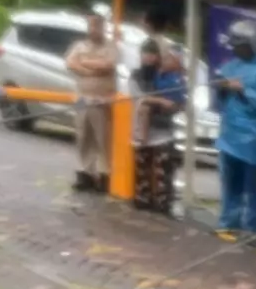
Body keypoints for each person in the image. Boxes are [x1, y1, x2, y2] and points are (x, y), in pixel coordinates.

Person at [212, 19, 256, 238]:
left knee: (252, 185)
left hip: (254, 138)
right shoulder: (230, 66)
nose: (236, 50)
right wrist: (220, 87)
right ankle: (229, 222)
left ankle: (253, 226)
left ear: (253, 44)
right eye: (234, 46)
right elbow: (220, 99)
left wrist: (242, 90)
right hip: (230, 135)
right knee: (230, 182)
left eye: (240, 46)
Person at [128, 37, 185, 215]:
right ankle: (142, 198)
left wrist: (172, 105)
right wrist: (160, 101)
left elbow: (178, 103)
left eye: (152, 54)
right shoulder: (136, 75)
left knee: (164, 170)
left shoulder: (167, 75)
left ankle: (163, 203)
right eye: (145, 54)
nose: (148, 58)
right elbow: (139, 97)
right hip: (142, 129)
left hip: (164, 129)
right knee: (142, 168)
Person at [64, 13, 117, 193]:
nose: (94, 30)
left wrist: (85, 62)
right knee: (82, 134)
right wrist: (88, 69)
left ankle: (104, 175)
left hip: (101, 100)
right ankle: (85, 172)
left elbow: (107, 65)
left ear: (103, 28)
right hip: (81, 98)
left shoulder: (111, 47)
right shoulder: (79, 46)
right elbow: (71, 63)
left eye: (98, 26)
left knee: (102, 137)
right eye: (91, 26)